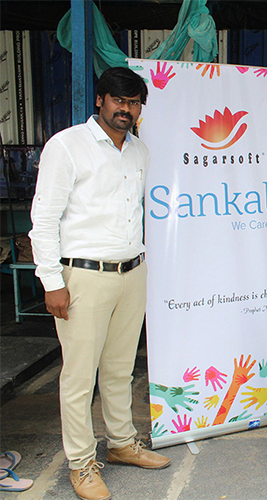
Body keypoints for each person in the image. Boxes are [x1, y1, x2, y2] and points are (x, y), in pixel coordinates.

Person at [29, 67, 171, 500]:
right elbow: (44, 219)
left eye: (134, 103)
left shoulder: (139, 151)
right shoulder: (67, 146)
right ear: (100, 100)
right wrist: (52, 281)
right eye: (118, 100)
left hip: (131, 271)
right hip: (83, 276)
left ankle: (122, 443)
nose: (126, 109)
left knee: (120, 369)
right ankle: (81, 463)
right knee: (79, 376)